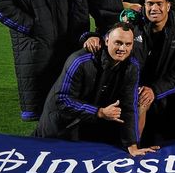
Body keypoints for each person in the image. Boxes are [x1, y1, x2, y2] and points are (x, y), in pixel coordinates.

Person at [34, 22, 158, 156]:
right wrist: (98, 112)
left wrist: (132, 146)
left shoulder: (132, 67)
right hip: (61, 127)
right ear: (106, 40)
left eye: (128, 44)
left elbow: (129, 107)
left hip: (91, 129)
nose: (123, 48)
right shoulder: (80, 61)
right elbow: (62, 99)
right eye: (118, 43)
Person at [133, 0, 175, 147]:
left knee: (166, 150)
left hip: (166, 99)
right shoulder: (133, 27)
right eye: (150, 4)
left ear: (168, 6)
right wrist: (90, 36)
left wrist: (155, 90)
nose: (154, 8)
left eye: (159, 4)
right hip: (134, 94)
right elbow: (112, 38)